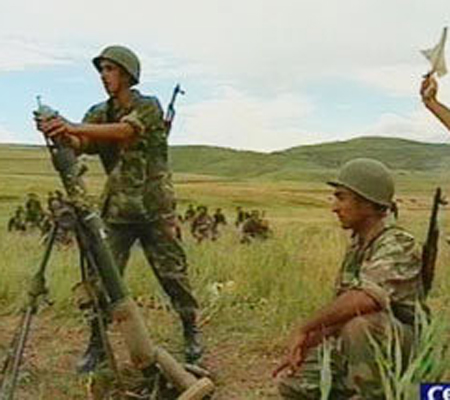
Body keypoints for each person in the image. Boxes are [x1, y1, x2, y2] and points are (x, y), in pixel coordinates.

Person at [35, 45, 202, 372]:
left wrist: (72, 126)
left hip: (155, 210)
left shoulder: (148, 106)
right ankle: (97, 344)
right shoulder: (98, 112)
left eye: (109, 69)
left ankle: (191, 334)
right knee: (100, 279)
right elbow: (82, 144)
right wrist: (59, 132)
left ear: (127, 74)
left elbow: (126, 130)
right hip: (117, 211)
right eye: (101, 70)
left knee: (173, 276)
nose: (103, 76)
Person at [275, 158, 427, 400]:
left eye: (341, 198)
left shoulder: (398, 243)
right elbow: (343, 311)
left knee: (361, 325)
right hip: (365, 345)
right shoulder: (359, 244)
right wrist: (310, 341)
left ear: (367, 203)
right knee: (293, 385)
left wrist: (305, 328)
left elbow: (365, 300)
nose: (334, 207)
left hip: (402, 348)